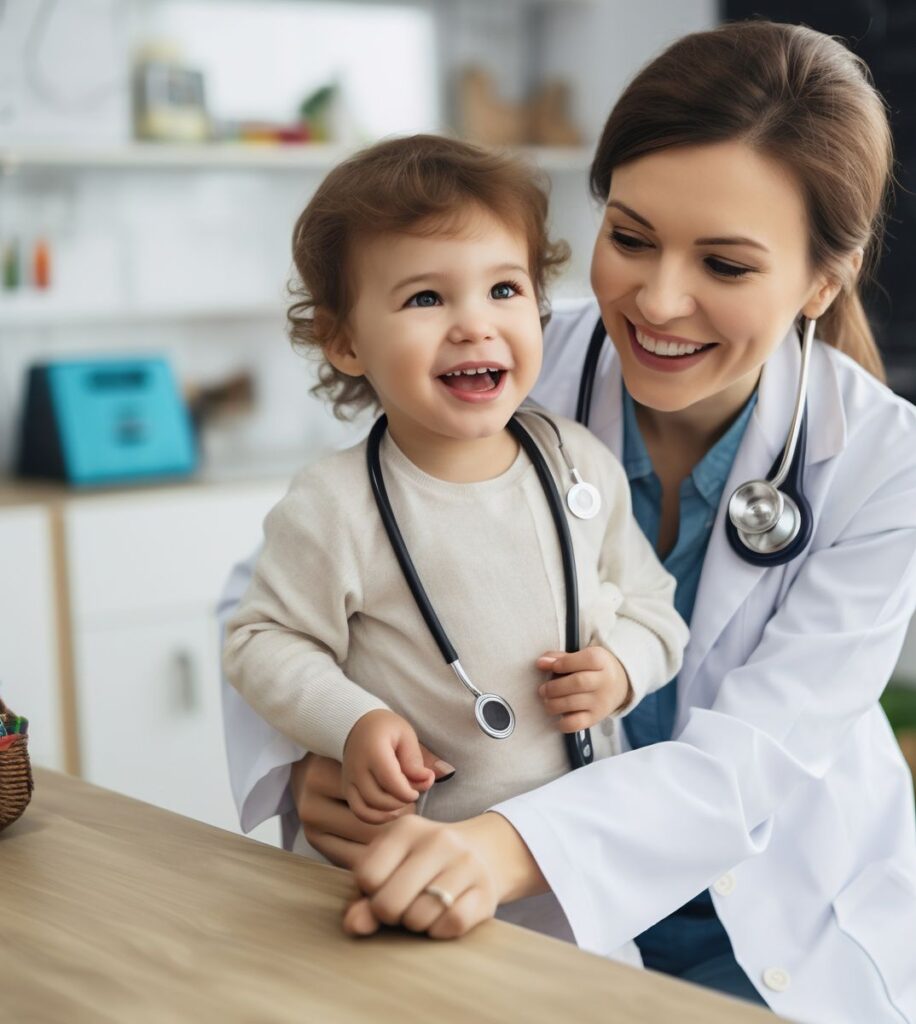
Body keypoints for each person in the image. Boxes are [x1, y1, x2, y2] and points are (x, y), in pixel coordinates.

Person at [219, 22, 916, 1022]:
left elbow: (757, 758)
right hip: (505, 910)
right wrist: (312, 760)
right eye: (629, 238)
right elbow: (279, 587)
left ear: (819, 279)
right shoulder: (496, 357)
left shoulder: (881, 464)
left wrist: (502, 844)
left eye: (724, 265)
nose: (659, 300)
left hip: (772, 924)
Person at [221, 136, 687, 960]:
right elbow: (263, 640)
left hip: (569, 867)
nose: (475, 323)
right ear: (346, 343)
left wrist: (622, 670)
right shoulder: (336, 504)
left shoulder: (578, 462)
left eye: (504, 288)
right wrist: (352, 722)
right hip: (402, 864)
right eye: (425, 298)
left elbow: (657, 610)